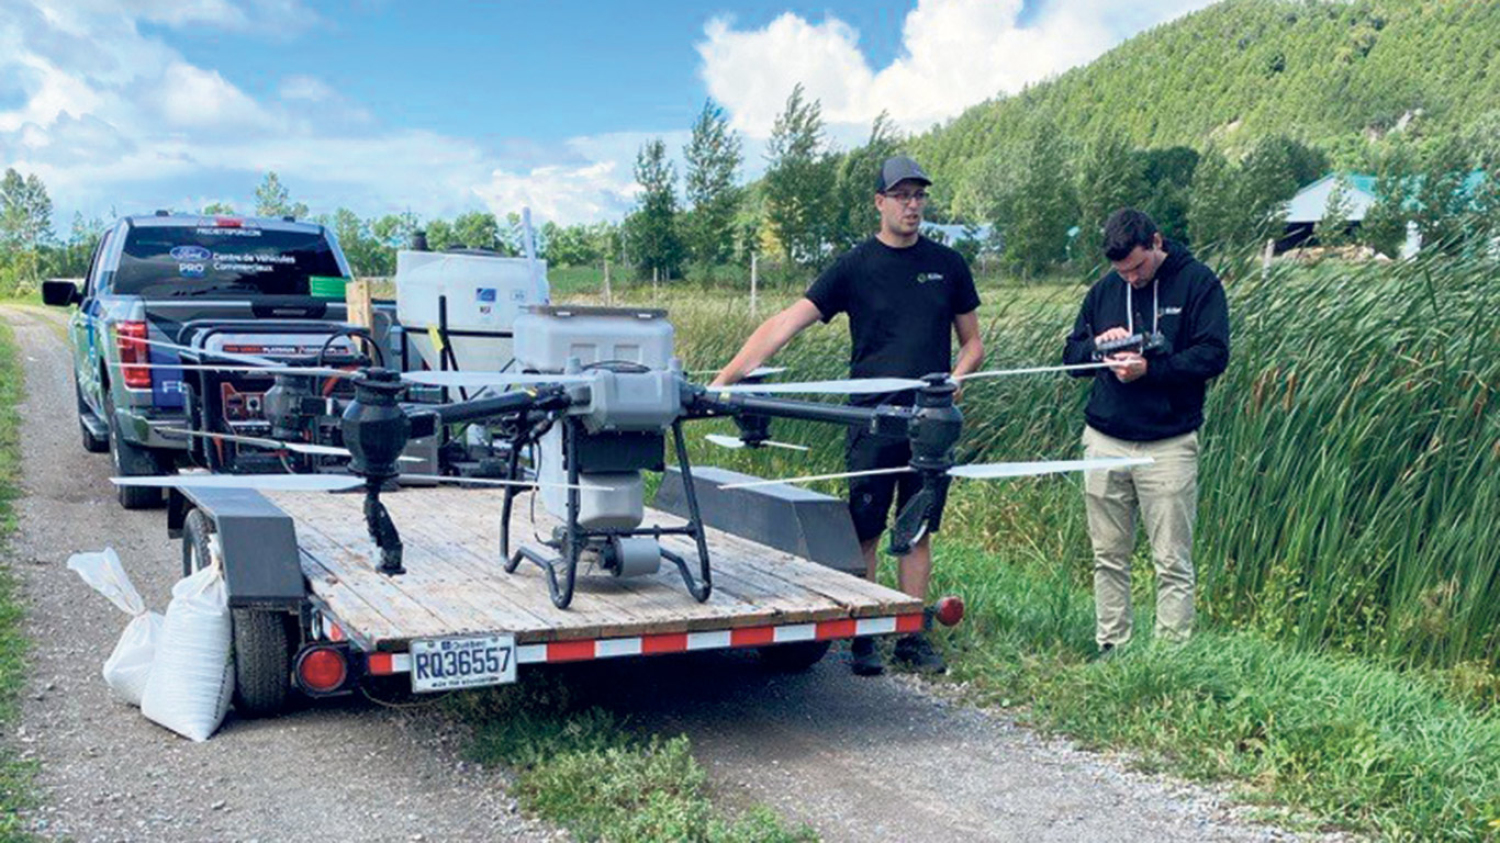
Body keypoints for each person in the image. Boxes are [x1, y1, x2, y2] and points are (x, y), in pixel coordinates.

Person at [713, 156, 983, 676]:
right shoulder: (854, 266)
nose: (911, 205)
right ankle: (863, 631)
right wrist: (725, 380)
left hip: (929, 422)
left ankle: (910, 632)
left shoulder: (948, 265)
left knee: (918, 528)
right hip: (871, 420)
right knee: (866, 528)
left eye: (918, 196)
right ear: (880, 202)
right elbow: (786, 323)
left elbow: (973, 345)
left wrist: (956, 382)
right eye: (901, 195)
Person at [1062, 208, 1230, 654]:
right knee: (1108, 556)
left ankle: (1170, 655)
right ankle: (1111, 646)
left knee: (1172, 559)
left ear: (1156, 242)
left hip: (1169, 442)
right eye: (1122, 271)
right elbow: (1070, 357)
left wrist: (1150, 370)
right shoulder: (1104, 292)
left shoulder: (1198, 283)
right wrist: (1100, 348)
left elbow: (1214, 355)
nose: (1131, 278)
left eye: (1137, 266)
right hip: (1105, 438)